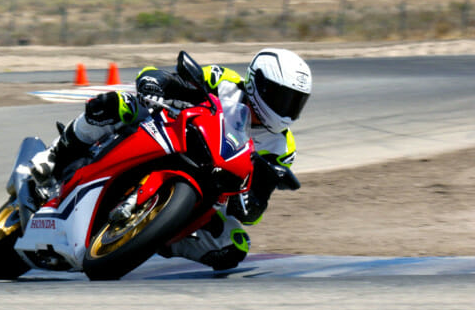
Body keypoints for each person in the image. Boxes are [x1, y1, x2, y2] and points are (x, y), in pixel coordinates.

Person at [30, 48, 312, 271]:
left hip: (209, 186)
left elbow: (252, 213)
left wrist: (258, 195)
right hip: (172, 130)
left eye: (295, 101)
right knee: (118, 105)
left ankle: (149, 237)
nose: (287, 108)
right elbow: (177, 80)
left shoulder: (282, 147)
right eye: (281, 97)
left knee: (234, 246)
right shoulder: (225, 81)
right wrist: (155, 81)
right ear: (257, 84)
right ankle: (55, 157)